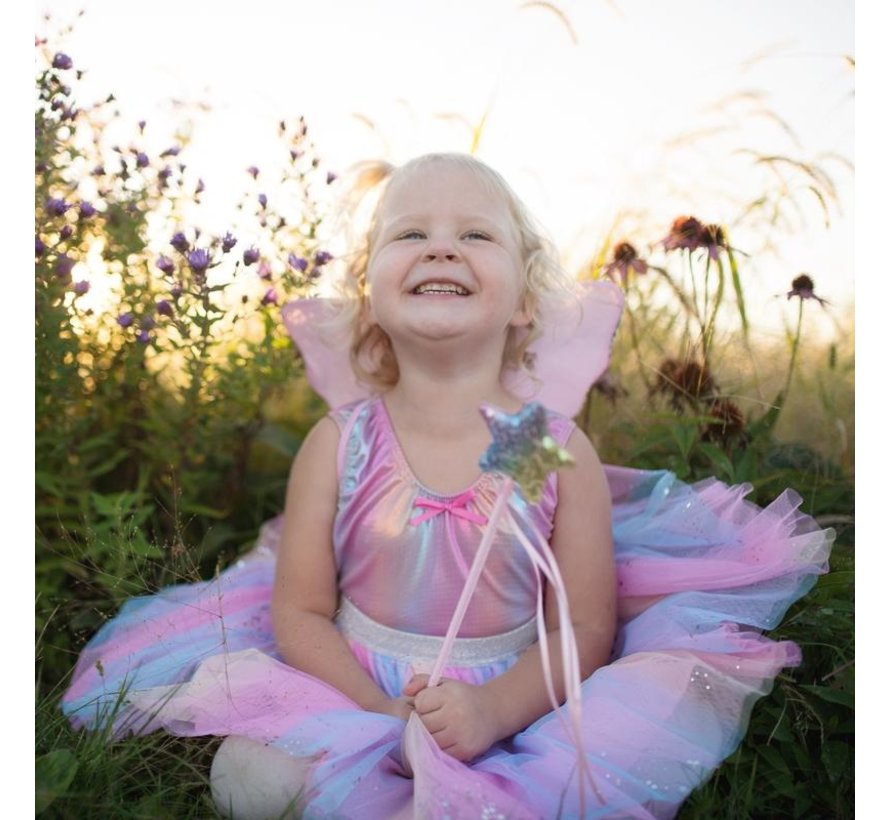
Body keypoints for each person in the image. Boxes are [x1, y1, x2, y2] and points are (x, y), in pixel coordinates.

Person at [62, 153, 833, 819]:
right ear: (370, 293)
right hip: (353, 685)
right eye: (410, 233)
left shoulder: (541, 449)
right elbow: (297, 612)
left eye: (475, 234)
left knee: (558, 788)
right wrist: (379, 713)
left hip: (514, 694)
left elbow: (583, 628)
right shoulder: (342, 444)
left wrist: (492, 710)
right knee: (248, 781)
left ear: (526, 300)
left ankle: (466, 779)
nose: (441, 249)